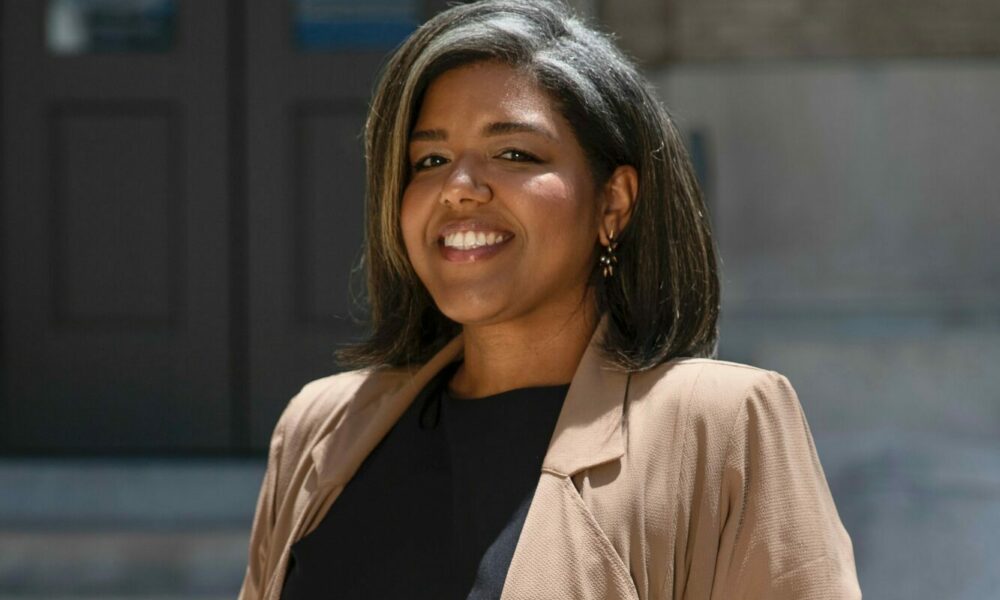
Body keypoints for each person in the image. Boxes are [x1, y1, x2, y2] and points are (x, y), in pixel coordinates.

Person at [239, 1, 861, 598]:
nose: (458, 187)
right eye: (430, 159)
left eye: (513, 153)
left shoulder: (718, 427)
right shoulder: (321, 430)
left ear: (613, 202)